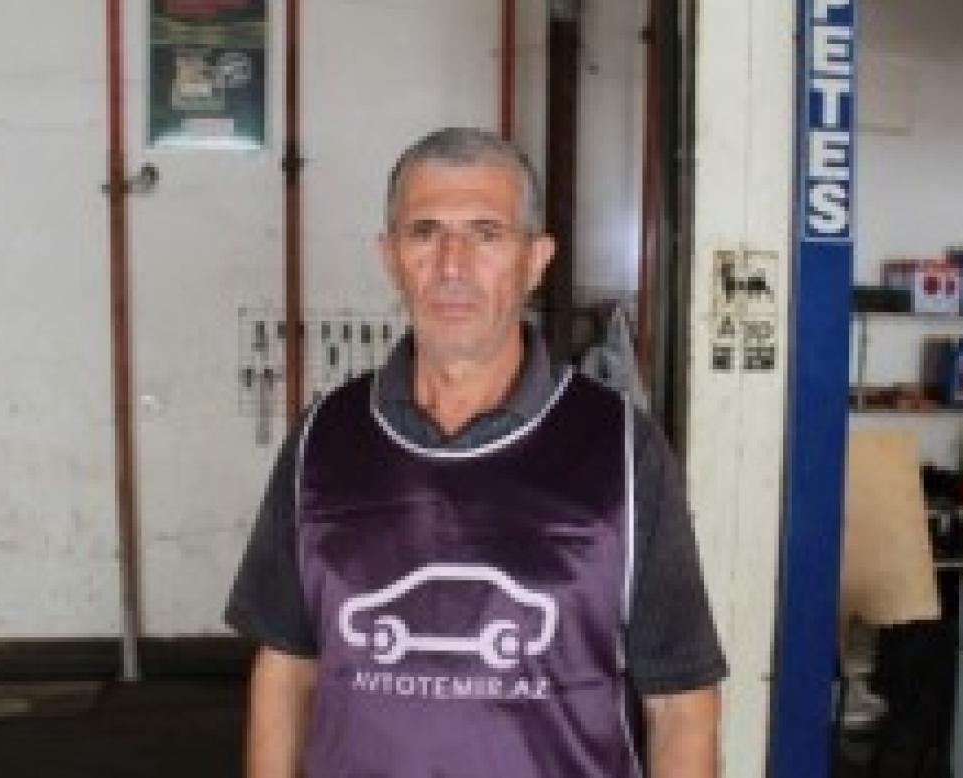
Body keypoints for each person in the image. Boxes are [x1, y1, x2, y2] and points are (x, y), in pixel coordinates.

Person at [226, 127, 726, 777]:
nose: (452, 266)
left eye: (486, 234)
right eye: (425, 232)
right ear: (390, 256)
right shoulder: (325, 439)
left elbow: (681, 704)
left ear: (536, 259)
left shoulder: (620, 448)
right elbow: (287, 669)